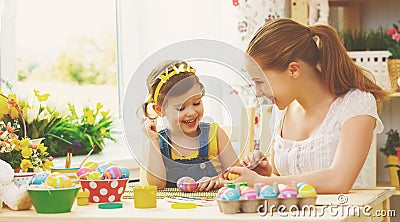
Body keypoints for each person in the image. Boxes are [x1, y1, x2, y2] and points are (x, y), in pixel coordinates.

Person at [222, 18, 388, 194]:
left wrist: (264, 181)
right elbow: (281, 179)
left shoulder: (356, 104)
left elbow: (339, 181)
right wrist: (267, 172)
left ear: (293, 70)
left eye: (260, 82)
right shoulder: (283, 110)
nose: (258, 92)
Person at [142, 60, 239, 191]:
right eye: (181, 108)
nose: (191, 112)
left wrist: (220, 180)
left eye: (196, 103)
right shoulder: (158, 143)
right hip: (174, 210)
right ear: (160, 110)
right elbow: (157, 185)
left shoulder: (215, 135)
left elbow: (239, 176)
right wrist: (154, 141)